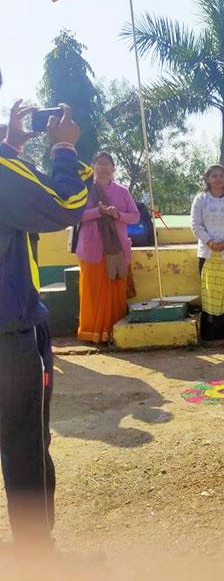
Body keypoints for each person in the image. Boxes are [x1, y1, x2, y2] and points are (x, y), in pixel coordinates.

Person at [0, 93, 89, 551]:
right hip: (8, 334)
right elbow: (65, 200)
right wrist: (64, 150)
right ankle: (36, 556)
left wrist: (13, 147)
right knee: (24, 442)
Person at [76, 151, 140, 343]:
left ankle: (115, 333)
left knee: (115, 290)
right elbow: (75, 215)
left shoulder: (122, 191)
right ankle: (92, 333)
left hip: (117, 248)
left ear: (113, 168)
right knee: (92, 290)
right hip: (91, 248)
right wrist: (98, 211)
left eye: (107, 164)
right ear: (92, 166)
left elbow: (135, 217)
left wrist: (117, 215)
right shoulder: (84, 190)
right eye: (100, 163)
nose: (104, 167)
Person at [191, 165, 224, 340]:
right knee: (211, 292)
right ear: (207, 179)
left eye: (221, 175)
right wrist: (210, 242)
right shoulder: (201, 199)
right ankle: (212, 331)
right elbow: (196, 225)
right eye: (214, 176)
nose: (218, 179)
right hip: (208, 253)